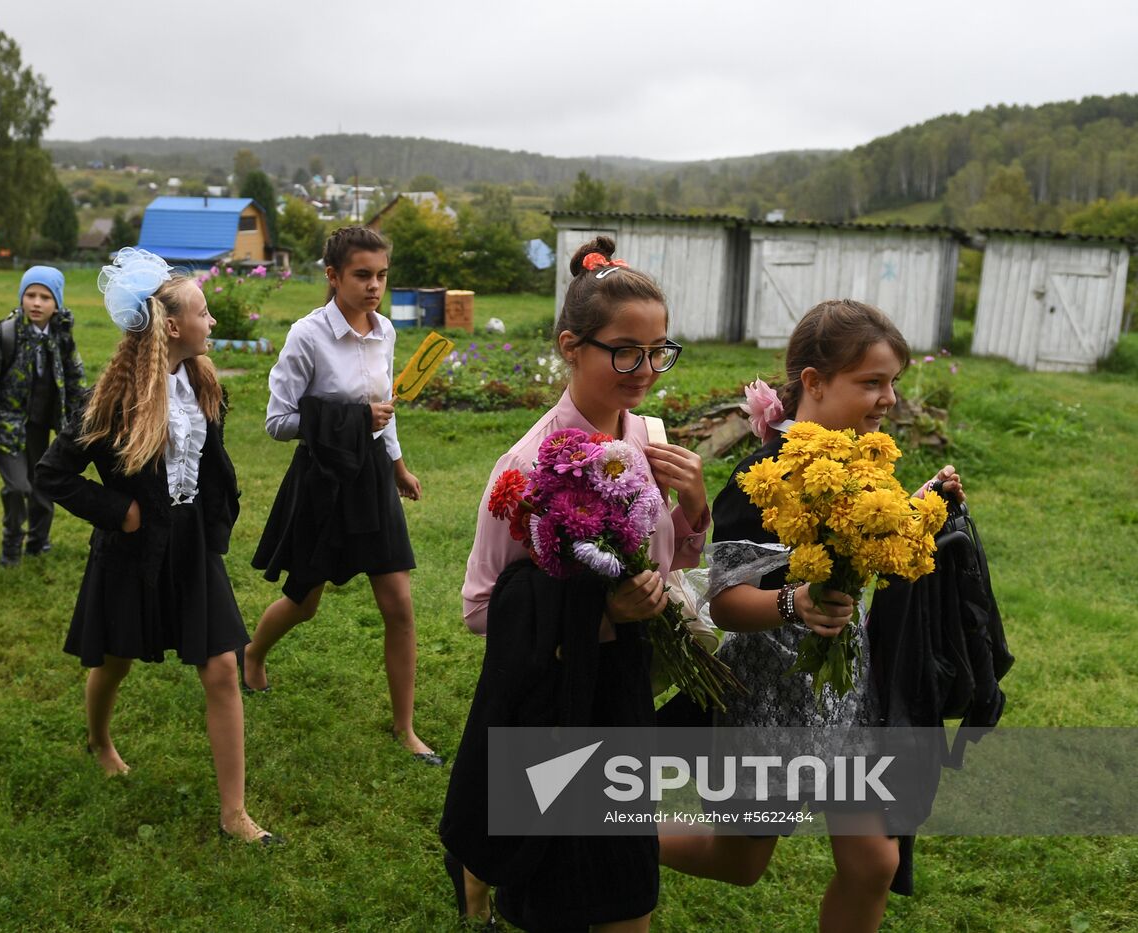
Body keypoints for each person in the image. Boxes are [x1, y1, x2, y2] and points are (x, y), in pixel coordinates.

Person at [658, 299, 964, 933]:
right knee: (739, 864)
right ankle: (581, 836)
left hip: (843, 695)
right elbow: (723, 601)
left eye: (893, 384)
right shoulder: (759, 481)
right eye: (871, 383)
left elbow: (856, 550)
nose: (887, 400)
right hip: (768, 705)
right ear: (815, 383)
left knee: (873, 861)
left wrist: (915, 511)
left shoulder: (864, 467)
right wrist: (791, 604)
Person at [439, 236, 710, 932]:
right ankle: (480, 874)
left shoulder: (646, 437)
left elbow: (665, 562)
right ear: (571, 344)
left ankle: (480, 871)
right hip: (556, 702)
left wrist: (694, 510)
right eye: (624, 350)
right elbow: (481, 607)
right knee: (552, 890)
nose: (645, 369)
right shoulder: (525, 469)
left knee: (627, 893)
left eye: (658, 350)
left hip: (623, 687)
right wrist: (593, 610)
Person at [35, 249, 277, 845]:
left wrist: (219, 516)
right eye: (203, 312)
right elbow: (51, 473)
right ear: (172, 326)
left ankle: (233, 814)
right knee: (113, 660)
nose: (213, 321)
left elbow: (210, 463)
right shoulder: (114, 399)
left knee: (222, 667)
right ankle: (98, 738)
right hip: (134, 549)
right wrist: (121, 511)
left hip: (193, 546)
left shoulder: (199, 380)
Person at [244, 225, 438, 765]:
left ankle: (405, 727)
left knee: (398, 606)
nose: (374, 286)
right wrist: (351, 419)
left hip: (372, 478)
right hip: (323, 482)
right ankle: (252, 654)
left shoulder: (386, 333)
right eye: (362, 275)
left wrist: (397, 464)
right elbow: (278, 422)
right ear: (333, 276)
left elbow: (385, 408)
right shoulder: (307, 336)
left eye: (381, 275)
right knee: (303, 603)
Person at [0, 265, 87, 566]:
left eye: (45, 297)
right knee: (19, 486)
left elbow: (74, 379)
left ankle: (38, 540)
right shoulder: (5, 334)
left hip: (45, 427)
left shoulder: (62, 334)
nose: (36, 303)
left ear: (56, 303)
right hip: (8, 426)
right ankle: (11, 544)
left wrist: (78, 423)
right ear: (21, 298)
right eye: (30, 295)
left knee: (45, 485)